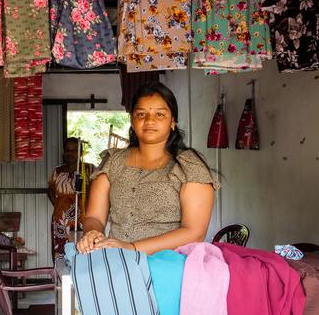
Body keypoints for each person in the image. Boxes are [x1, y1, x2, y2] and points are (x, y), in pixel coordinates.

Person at [76, 82, 219, 254]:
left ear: (173, 121)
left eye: (160, 114)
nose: (150, 120)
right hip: (118, 265)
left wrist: (132, 248)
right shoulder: (113, 161)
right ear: (132, 120)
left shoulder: (189, 165)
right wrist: (93, 233)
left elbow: (194, 232)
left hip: (168, 267)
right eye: (141, 114)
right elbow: (95, 217)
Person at [48, 137, 95, 258]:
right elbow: (50, 192)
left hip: (84, 217)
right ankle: (61, 276)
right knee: (61, 249)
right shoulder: (57, 171)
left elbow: (96, 191)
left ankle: (82, 275)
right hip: (61, 220)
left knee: (84, 248)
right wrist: (61, 207)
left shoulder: (89, 169)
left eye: (74, 150)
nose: (70, 153)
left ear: (81, 152)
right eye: (67, 150)